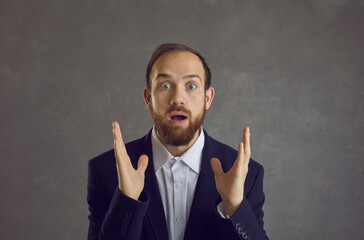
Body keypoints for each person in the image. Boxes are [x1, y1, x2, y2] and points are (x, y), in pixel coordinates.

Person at [87, 43, 269, 240]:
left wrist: (234, 207)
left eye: (191, 86)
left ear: (207, 98)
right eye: (165, 85)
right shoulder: (105, 171)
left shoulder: (245, 174)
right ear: (149, 98)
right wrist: (127, 202)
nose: (178, 98)